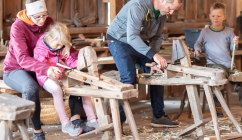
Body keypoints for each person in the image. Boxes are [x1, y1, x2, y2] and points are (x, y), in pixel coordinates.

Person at [106, 0, 182, 129]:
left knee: (158, 73)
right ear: (162, 0)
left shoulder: (163, 13)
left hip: (139, 43)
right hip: (119, 41)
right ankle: (118, 124)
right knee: (128, 78)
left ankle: (158, 117)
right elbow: (132, 37)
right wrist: (155, 55)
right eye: (170, 8)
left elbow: (157, 37)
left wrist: (154, 62)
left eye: (174, 10)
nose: (171, 12)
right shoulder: (138, 6)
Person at [2, 0, 61, 140]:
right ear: (28, 14)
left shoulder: (49, 22)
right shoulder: (18, 27)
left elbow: (59, 42)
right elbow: (22, 58)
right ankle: (37, 130)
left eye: (45, 15)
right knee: (31, 88)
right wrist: (46, 70)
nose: (42, 20)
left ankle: (74, 122)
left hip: (37, 68)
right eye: (37, 17)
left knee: (69, 81)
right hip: (15, 69)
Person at [33, 22, 99, 134]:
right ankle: (65, 124)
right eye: (57, 45)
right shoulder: (40, 49)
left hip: (60, 74)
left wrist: (78, 64)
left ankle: (92, 119)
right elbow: (41, 66)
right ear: (49, 38)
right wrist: (51, 70)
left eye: (62, 45)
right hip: (45, 75)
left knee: (83, 86)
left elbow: (69, 60)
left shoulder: (61, 45)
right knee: (56, 90)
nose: (59, 47)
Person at [194, 2, 240, 118]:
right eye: (213, 16)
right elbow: (197, 43)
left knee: (240, 83)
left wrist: (235, 43)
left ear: (224, 17)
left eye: (219, 16)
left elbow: (232, 49)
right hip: (213, 65)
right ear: (210, 16)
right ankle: (218, 110)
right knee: (219, 75)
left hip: (229, 66)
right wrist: (197, 50)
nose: (216, 18)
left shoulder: (229, 31)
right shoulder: (205, 31)